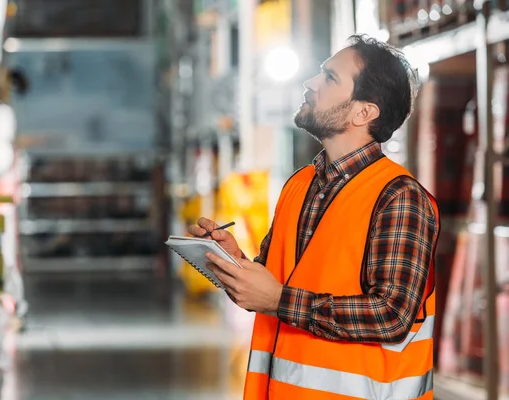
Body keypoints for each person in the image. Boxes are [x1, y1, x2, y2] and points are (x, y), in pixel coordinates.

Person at [188, 34, 439, 400]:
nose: (310, 83)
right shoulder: (300, 184)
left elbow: (392, 315)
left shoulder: (399, 197)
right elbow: (276, 287)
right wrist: (235, 263)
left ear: (364, 112)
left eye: (329, 78)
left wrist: (279, 300)